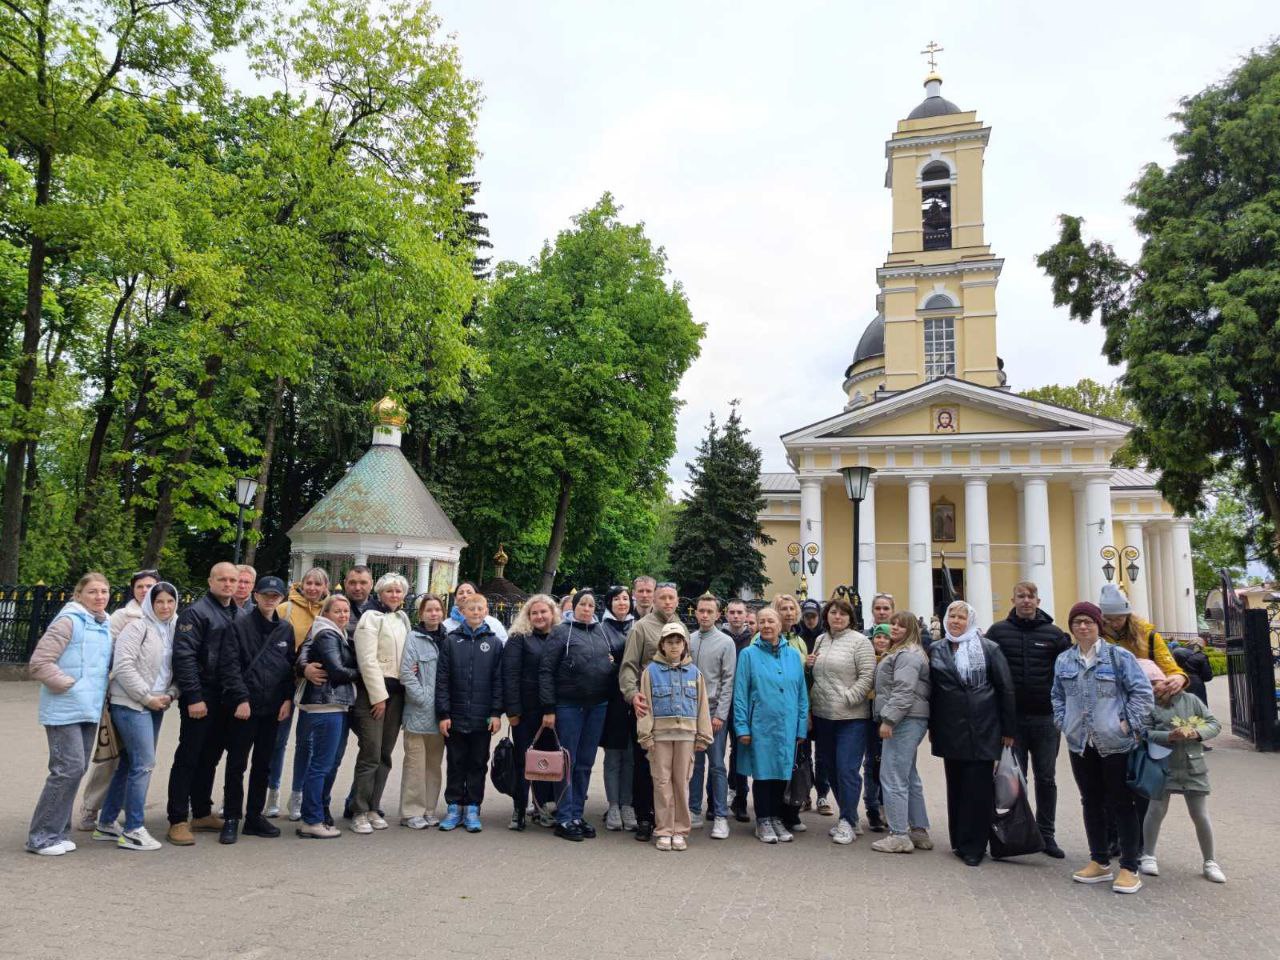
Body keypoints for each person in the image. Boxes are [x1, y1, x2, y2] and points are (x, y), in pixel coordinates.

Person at [1052, 601, 1154, 894]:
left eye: (1088, 621)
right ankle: (1099, 860)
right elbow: (1057, 695)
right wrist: (1064, 722)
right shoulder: (1064, 661)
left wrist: (1126, 726)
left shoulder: (1118, 657)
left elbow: (1142, 693)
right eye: (1077, 622)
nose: (1082, 627)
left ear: (1099, 625)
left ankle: (1129, 867)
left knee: (1122, 803)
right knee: (1091, 801)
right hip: (1080, 743)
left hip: (1115, 743)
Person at [25, 573, 113, 855]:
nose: (99, 597)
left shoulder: (104, 623)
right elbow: (39, 663)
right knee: (67, 770)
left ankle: (58, 832)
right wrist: (68, 685)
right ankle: (41, 837)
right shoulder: (69, 621)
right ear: (79, 595)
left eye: (104, 591)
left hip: (89, 709)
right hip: (64, 708)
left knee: (76, 770)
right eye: (92, 592)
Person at [985, 581, 1071, 859]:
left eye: (1030, 596)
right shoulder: (998, 632)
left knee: (1046, 778)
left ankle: (1047, 835)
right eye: (1021, 596)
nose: (1025, 601)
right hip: (1012, 722)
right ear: (1013, 599)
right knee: (1013, 781)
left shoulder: (1054, 634)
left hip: (1046, 719)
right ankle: (1017, 834)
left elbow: (1065, 675)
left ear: (1038, 600)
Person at [929, 599, 1016, 866]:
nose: (955, 621)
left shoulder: (989, 649)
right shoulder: (936, 649)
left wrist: (1009, 729)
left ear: (971, 621)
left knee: (977, 789)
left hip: (984, 728)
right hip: (950, 728)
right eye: (951, 616)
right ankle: (959, 841)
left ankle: (975, 847)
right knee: (955, 786)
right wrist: (932, 726)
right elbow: (931, 691)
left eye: (961, 617)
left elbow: (1006, 689)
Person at [93, 582, 179, 851]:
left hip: (158, 703)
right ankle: (133, 829)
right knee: (144, 764)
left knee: (130, 763)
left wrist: (171, 693)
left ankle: (106, 822)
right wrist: (146, 697)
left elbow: (176, 666)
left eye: (170, 601)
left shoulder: (174, 629)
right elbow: (123, 666)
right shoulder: (137, 627)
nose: (165, 607)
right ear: (149, 604)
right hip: (132, 704)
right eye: (159, 602)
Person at [77, 568, 159, 832]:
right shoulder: (123, 617)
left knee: (134, 757)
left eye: (150, 586)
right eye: (140, 587)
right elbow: (106, 653)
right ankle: (91, 807)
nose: (145, 591)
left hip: (149, 698)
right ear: (133, 590)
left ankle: (115, 810)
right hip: (118, 694)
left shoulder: (164, 614)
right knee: (110, 755)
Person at [217, 576, 296, 844]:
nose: (270, 599)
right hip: (244, 708)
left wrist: (287, 699)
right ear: (256, 596)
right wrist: (240, 699)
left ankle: (254, 816)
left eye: (275, 595)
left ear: (281, 598)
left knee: (263, 765)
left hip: (272, 708)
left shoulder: (286, 629)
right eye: (265, 595)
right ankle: (231, 817)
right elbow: (229, 666)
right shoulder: (238, 626)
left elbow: (288, 668)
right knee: (236, 764)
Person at [167, 561, 239, 845]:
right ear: (211, 581)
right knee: (189, 756)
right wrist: (194, 696)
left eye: (232, 580)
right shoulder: (196, 613)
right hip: (202, 695)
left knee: (211, 757)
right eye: (222, 579)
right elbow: (184, 657)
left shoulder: (238, 611)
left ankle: (201, 811)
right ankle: (177, 819)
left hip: (225, 697)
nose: (228, 584)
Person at [1138, 661, 1225, 883]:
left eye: (1158, 682)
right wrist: (1168, 736)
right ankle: (1148, 854)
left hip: (1191, 763)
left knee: (1199, 814)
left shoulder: (1191, 700)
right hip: (1163, 762)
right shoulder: (1150, 705)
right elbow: (1145, 732)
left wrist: (1195, 732)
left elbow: (1214, 723)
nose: (1156, 687)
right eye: (1150, 684)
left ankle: (1210, 860)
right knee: (1156, 809)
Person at [540, 589, 614, 841]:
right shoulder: (561, 632)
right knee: (567, 761)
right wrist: (549, 708)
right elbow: (547, 671)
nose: (587, 608)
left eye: (591, 605)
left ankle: (577, 814)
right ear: (574, 606)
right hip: (569, 706)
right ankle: (564, 816)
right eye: (583, 603)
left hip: (597, 706)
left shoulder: (600, 631)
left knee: (585, 762)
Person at [733, 606, 809, 844]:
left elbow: (801, 695)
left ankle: (776, 817)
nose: (766, 626)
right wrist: (742, 727)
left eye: (771, 621)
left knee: (781, 773)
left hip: (786, 725)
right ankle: (763, 819)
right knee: (764, 774)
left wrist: (800, 727)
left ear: (779, 626)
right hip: (760, 725)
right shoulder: (748, 655)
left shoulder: (793, 656)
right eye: (762, 621)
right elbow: (740, 693)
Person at [637, 621, 713, 851]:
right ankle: (663, 830)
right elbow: (645, 705)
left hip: (686, 737)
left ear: (684, 645)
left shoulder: (694, 673)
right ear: (661, 645)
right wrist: (645, 735)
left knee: (681, 783)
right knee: (661, 783)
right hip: (659, 736)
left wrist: (703, 736)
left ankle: (680, 830)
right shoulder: (650, 672)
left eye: (678, 642)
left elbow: (702, 707)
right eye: (669, 642)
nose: (673, 646)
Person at [807, 596, 876, 845]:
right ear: (826, 615)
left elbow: (868, 675)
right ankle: (850, 817)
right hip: (823, 715)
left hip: (851, 717)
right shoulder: (820, 640)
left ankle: (847, 819)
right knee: (830, 767)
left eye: (843, 614)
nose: (837, 617)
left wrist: (850, 697)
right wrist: (809, 664)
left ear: (850, 618)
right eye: (833, 612)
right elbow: (815, 673)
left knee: (847, 769)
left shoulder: (860, 642)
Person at [619, 581, 682, 842]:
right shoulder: (641, 628)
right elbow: (628, 667)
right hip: (648, 707)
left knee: (671, 766)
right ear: (654, 601)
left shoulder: (680, 628)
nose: (667, 602)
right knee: (645, 764)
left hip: (676, 708)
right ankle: (644, 816)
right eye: (662, 598)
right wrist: (632, 696)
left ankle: (666, 817)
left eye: (671, 598)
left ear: (677, 601)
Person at [350, 572, 412, 834]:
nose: (394, 595)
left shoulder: (402, 618)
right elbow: (367, 659)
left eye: (398, 591)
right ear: (380, 593)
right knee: (371, 752)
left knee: (385, 753)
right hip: (375, 695)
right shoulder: (370, 618)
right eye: (389, 591)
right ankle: (358, 810)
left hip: (397, 694)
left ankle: (374, 806)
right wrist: (379, 696)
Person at [436, 592, 502, 833]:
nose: (475, 612)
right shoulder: (451, 641)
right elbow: (442, 679)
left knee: (477, 762)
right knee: (455, 761)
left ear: (486, 611)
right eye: (470, 608)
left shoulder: (494, 643)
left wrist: (495, 713)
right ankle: (454, 805)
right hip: (455, 715)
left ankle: (473, 806)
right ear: (461, 611)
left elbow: (498, 681)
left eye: (480, 608)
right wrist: (443, 714)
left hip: (482, 718)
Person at [268, 567, 329, 819]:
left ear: (326, 587)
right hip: (285, 682)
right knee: (277, 742)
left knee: (307, 743)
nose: (313, 588)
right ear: (301, 584)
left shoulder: (329, 611)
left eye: (318, 584)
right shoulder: (284, 609)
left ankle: (297, 795)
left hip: (312, 685)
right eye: (309, 583)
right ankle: (272, 793)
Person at [295, 594, 358, 838]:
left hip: (333, 705)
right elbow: (338, 671)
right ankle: (311, 819)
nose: (343, 615)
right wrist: (365, 671)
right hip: (326, 705)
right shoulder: (328, 633)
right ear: (326, 613)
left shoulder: (330, 632)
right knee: (320, 765)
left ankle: (317, 813)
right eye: (337, 611)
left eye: (346, 611)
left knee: (326, 763)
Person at [871, 611, 933, 853]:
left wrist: (888, 720)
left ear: (912, 629)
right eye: (892, 624)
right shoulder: (910, 652)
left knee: (893, 775)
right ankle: (918, 831)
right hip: (912, 718)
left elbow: (903, 691)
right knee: (908, 775)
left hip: (904, 720)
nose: (894, 628)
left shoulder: (907, 654)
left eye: (901, 625)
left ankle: (899, 834)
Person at [503, 594, 559, 830]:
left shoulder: (559, 637)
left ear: (552, 614)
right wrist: (513, 710)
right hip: (525, 710)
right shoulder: (519, 638)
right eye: (534, 613)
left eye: (543, 612)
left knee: (547, 760)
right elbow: (510, 675)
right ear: (528, 615)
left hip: (552, 710)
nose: (539, 616)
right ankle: (519, 809)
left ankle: (544, 806)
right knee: (524, 760)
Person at [396, 594, 447, 830]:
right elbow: (407, 672)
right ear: (422, 614)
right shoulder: (414, 638)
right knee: (415, 764)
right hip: (419, 711)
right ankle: (411, 810)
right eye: (429, 610)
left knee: (434, 764)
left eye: (437, 609)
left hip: (440, 714)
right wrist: (424, 699)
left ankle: (428, 809)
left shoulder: (448, 638)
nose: (434, 614)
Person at [688, 593, 735, 839]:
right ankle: (693, 809)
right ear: (695, 612)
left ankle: (720, 815)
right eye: (701, 610)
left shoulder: (726, 643)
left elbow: (728, 681)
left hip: (714, 713)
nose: (704, 615)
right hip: (690, 713)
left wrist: (720, 714)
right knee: (694, 765)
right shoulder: (689, 638)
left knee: (717, 765)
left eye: (709, 611)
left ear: (718, 615)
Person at [1099, 583, 1187, 695]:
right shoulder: (1097, 638)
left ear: (1127, 615)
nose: (1114, 624)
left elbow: (1170, 667)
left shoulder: (1149, 636)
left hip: (1146, 695)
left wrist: (1179, 676)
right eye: (1109, 619)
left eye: (1119, 618)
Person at [599, 585, 637, 832]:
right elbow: (602, 663)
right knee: (613, 756)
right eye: (616, 599)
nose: (621, 602)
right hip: (612, 701)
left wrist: (617, 663)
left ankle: (627, 804)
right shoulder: (601, 630)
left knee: (632, 757)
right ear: (609, 603)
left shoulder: (638, 627)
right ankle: (613, 804)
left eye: (625, 598)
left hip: (635, 701)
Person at [860, 592, 897, 832]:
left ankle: (888, 807)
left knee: (890, 763)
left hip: (890, 717)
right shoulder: (864, 642)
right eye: (878, 608)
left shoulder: (898, 649)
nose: (882, 612)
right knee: (872, 763)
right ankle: (873, 808)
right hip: (867, 715)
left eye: (886, 608)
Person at [722, 598, 754, 822]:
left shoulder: (753, 640)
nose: (735, 616)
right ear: (726, 615)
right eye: (731, 612)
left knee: (740, 751)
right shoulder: (719, 637)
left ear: (745, 615)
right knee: (714, 754)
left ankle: (740, 799)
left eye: (739, 612)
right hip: (719, 702)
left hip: (743, 703)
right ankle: (715, 800)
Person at [444, 580, 509, 642]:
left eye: (469, 592)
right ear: (455, 598)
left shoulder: (493, 623)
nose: (465, 595)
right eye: (461, 593)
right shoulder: (446, 625)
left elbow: (504, 645)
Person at [1172, 639, 1214, 704]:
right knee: (1199, 708)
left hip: (1180, 682)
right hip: (1196, 686)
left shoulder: (1177, 654)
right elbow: (1207, 676)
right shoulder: (1201, 656)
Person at [341, 565, 375, 637]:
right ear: (345, 583)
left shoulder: (380, 610)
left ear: (372, 584)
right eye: (352, 583)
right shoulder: (333, 607)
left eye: (363, 583)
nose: (357, 588)